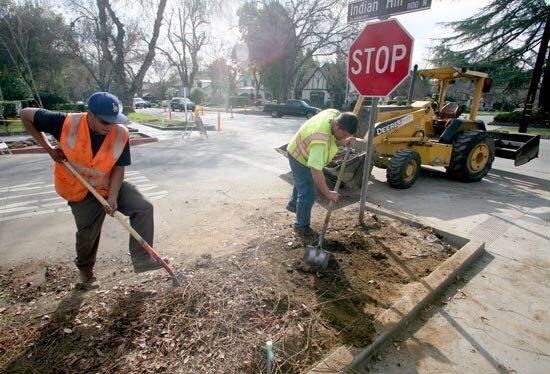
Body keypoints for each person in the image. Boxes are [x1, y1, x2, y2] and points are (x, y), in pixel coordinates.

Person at [21, 92, 161, 290]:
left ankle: (142, 260)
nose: (110, 126)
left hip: (107, 183)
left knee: (143, 207)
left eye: (114, 121)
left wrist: (113, 198)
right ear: (90, 114)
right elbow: (25, 114)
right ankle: (86, 272)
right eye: (105, 122)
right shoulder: (64, 122)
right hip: (78, 188)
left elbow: (119, 168)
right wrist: (48, 148)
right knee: (88, 233)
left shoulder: (120, 133)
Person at [286, 109, 359, 237]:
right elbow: (316, 171)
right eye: (343, 135)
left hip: (303, 147)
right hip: (299, 157)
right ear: (336, 125)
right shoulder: (320, 142)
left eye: (346, 136)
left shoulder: (334, 114)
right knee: (308, 194)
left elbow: (334, 137)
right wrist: (328, 193)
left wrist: (343, 141)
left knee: (302, 183)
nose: (343, 138)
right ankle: (301, 226)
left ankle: (294, 205)